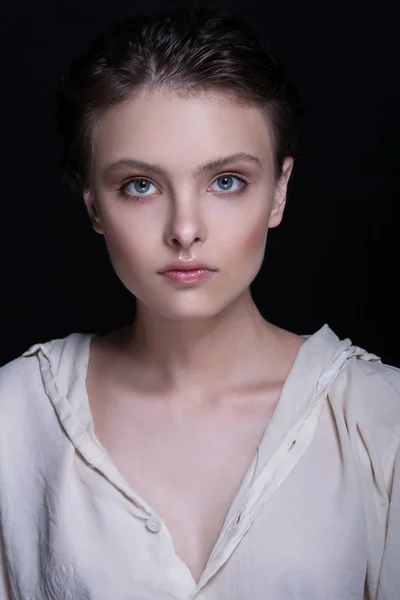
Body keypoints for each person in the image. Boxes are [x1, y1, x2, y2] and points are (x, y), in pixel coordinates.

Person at [0, 6, 399, 599]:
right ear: (93, 206)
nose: (185, 229)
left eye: (227, 181)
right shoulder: (15, 417)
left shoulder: (378, 418)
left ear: (278, 191)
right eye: (140, 185)